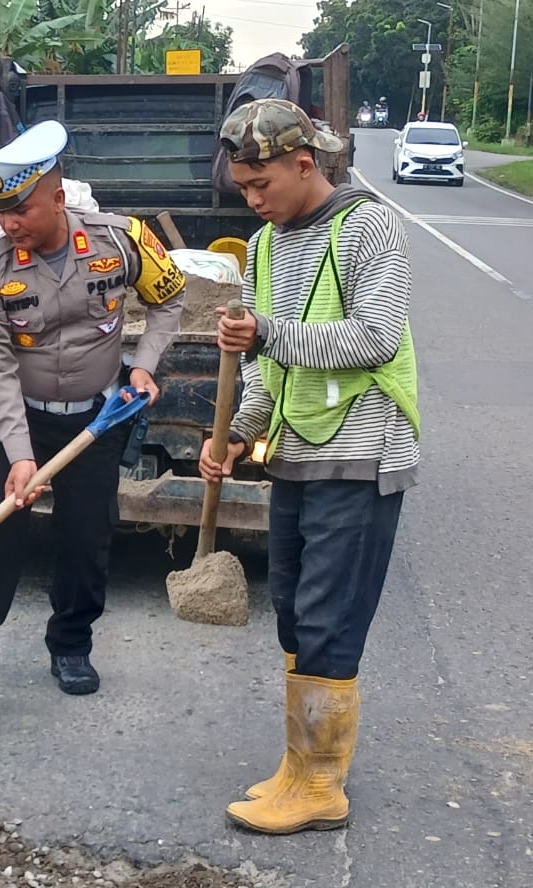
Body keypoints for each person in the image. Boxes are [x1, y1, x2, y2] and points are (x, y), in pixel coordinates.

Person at [0, 120, 187, 702]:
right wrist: (18, 456)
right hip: (21, 419)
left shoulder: (123, 240)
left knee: (87, 536)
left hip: (97, 418)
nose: (10, 224)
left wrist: (145, 364)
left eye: (22, 211)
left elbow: (171, 298)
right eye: (0, 211)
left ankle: (71, 647)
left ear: (58, 199)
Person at [203, 99, 417, 834]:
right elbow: (265, 363)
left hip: (362, 453)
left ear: (305, 164)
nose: (254, 200)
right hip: (296, 450)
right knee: (292, 611)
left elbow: (377, 339)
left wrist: (268, 331)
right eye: (244, 189)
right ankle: (299, 767)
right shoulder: (265, 248)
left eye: (262, 185)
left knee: (329, 619)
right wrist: (240, 430)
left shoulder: (369, 227)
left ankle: (323, 785)